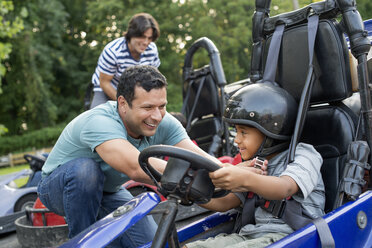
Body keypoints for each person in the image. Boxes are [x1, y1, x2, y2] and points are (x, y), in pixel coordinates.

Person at [38, 65, 221, 248]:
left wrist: (233, 174)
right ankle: (82, 243)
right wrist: (190, 172)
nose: (157, 116)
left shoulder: (164, 122)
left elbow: (198, 156)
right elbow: (135, 166)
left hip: (108, 191)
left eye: (162, 106)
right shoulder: (99, 121)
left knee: (153, 242)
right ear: (123, 104)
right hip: (59, 188)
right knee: (86, 171)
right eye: (147, 107)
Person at [185, 82, 325, 248]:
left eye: (243, 132)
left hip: (291, 236)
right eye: (235, 131)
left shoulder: (304, 155)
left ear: (271, 131)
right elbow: (224, 204)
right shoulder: (253, 165)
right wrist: (190, 192)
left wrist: (245, 178)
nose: (236, 139)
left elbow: (284, 188)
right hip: (249, 236)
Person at [90, 13, 161, 109]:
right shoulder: (113, 51)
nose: (145, 42)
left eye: (149, 38)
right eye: (142, 37)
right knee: (97, 119)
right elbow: (104, 83)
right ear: (132, 34)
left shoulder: (152, 49)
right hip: (108, 90)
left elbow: (152, 79)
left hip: (136, 92)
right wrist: (125, 104)